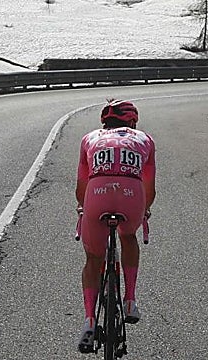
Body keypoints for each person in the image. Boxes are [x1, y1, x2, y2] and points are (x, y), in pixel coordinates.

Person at [76, 100, 156, 353]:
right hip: (132, 196)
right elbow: (149, 186)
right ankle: (130, 300)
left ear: (104, 121)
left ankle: (89, 321)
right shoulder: (145, 139)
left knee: (93, 258)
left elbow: (81, 186)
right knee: (128, 236)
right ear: (132, 121)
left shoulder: (89, 138)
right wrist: (145, 210)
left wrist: (82, 207)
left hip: (97, 194)